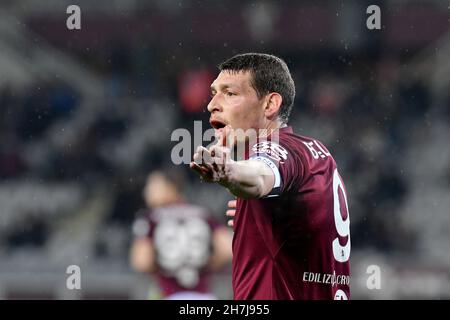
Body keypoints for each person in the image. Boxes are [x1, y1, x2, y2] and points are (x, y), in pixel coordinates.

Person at [190, 53, 351, 300]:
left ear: (269, 105)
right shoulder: (317, 152)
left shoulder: (279, 149)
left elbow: (262, 174)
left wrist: (229, 173)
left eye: (230, 93)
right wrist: (261, 213)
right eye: (214, 93)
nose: (212, 104)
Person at [130, 168, 233, 300]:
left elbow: (141, 261)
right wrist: (205, 265)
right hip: (203, 296)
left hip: (170, 294)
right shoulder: (203, 213)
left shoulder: (151, 219)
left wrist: (164, 268)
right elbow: (228, 248)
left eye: (153, 186)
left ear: (170, 187)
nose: (147, 192)